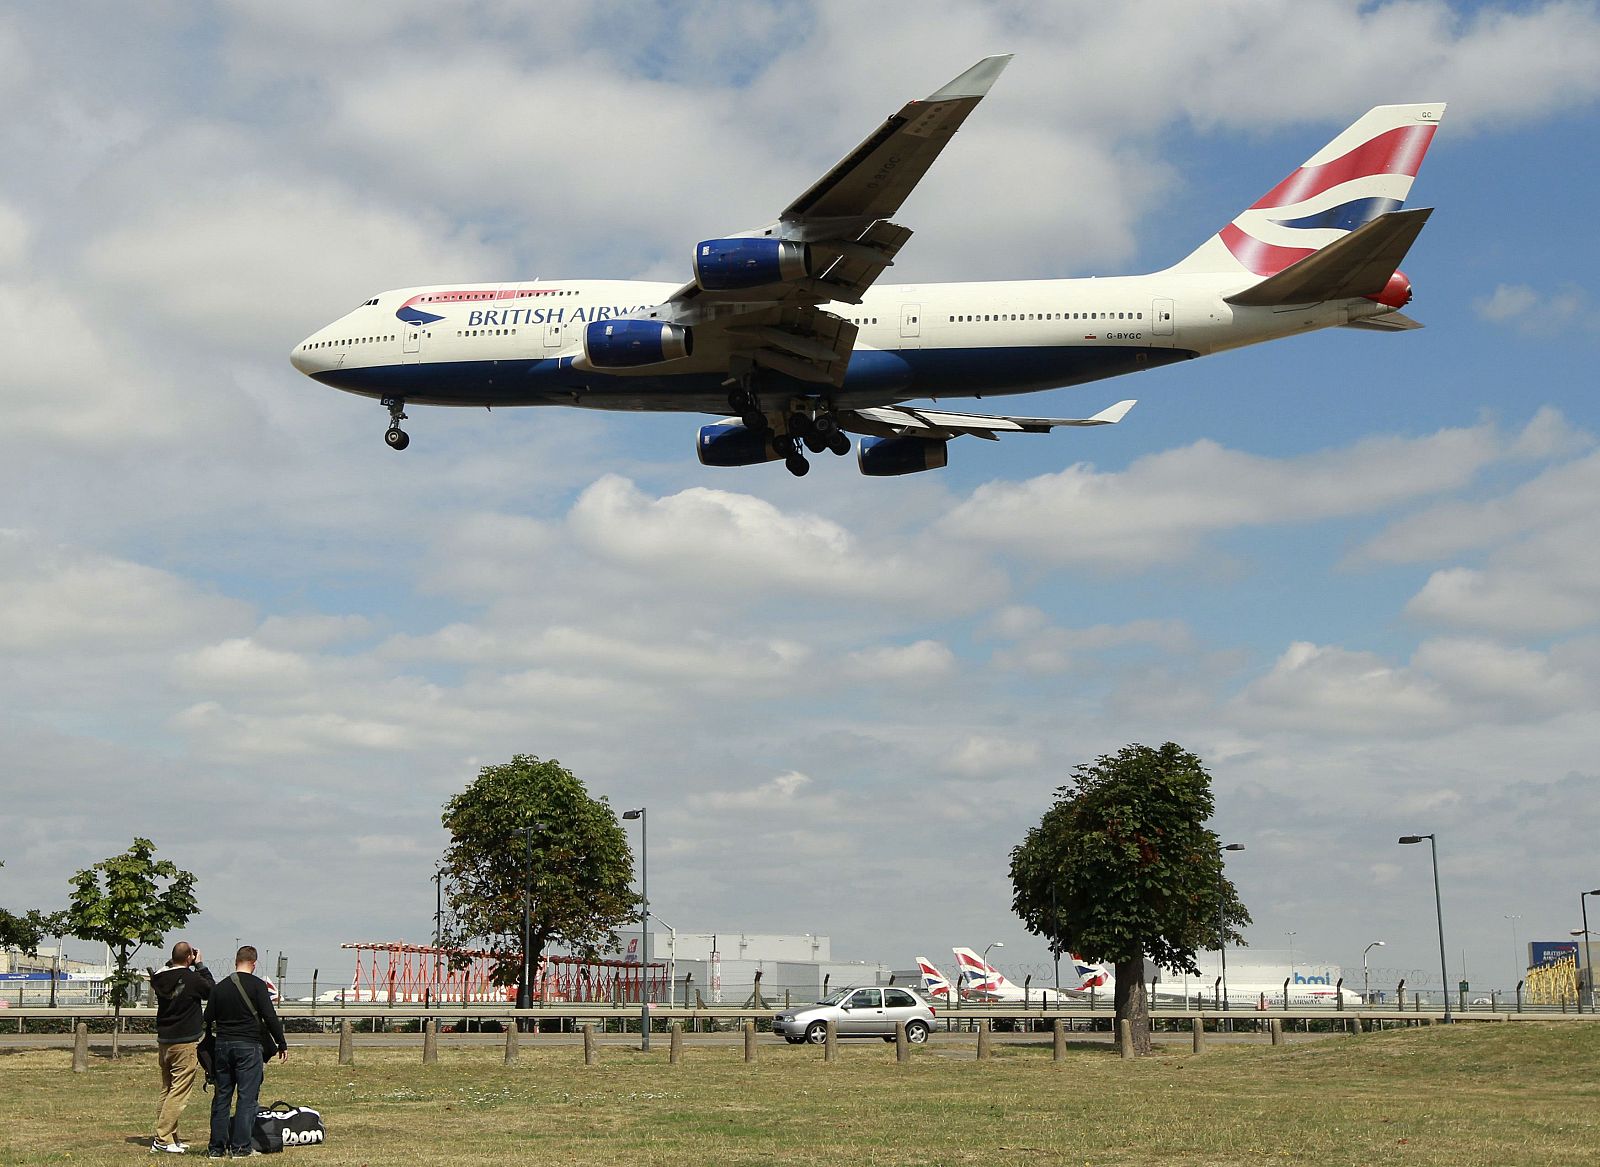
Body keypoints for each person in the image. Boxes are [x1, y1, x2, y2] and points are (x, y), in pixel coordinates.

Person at [203, 945, 287, 1158]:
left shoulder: (219, 987)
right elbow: (269, 1017)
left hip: (222, 1045)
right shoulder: (258, 986)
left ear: (235, 961)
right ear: (254, 963)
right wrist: (281, 1043)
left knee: (222, 1097)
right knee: (247, 1098)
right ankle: (241, 1147)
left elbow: (207, 1018)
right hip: (248, 1046)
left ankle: (216, 1148)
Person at [150, 940, 214, 1153]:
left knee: (167, 1089)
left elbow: (168, 971)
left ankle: (169, 1135)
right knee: (179, 1091)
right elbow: (211, 991)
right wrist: (201, 966)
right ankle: (161, 1139)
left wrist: (181, 961)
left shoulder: (159, 978)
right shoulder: (192, 978)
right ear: (189, 957)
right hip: (185, 1041)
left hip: (164, 1040)